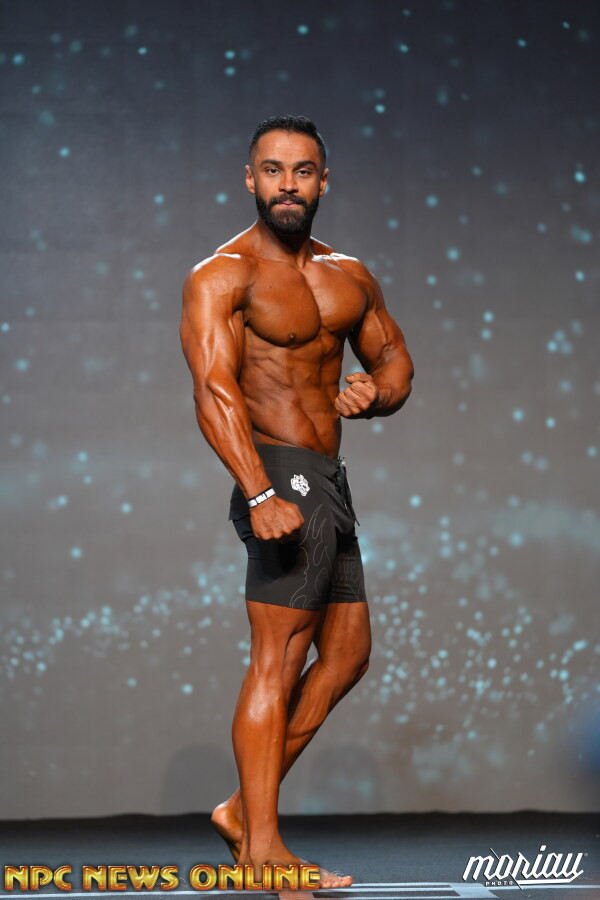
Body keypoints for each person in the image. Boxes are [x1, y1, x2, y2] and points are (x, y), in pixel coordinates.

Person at [179, 114, 414, 888]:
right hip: (277, 472)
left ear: (322, 182)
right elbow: (213, 391)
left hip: (329, 478)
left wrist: (376, 394)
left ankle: (241, 812)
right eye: (273, 170)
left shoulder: (348, 274)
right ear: (250, 179)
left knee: (347, 655)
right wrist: (258, 492)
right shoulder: (224, 275)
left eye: (303, 171)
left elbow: (395, 360)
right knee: (276, 664)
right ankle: (263, 853)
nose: (288, 185)